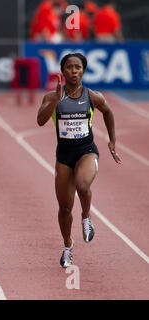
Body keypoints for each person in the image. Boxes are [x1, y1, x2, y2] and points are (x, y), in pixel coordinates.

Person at [37, 52, 122, 268]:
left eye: (78, 67)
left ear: (83, 70)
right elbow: (40, 121)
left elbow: (108, 111)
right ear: (63, 71)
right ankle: (68, 245)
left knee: (83, 186)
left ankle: (86, 216)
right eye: (69, 67)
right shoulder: (52, 97)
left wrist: (112, 141)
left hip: (87, 151)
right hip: (64, 156)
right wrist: (56, 99)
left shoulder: (93, 96)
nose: (74, 71)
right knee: (64, 209)